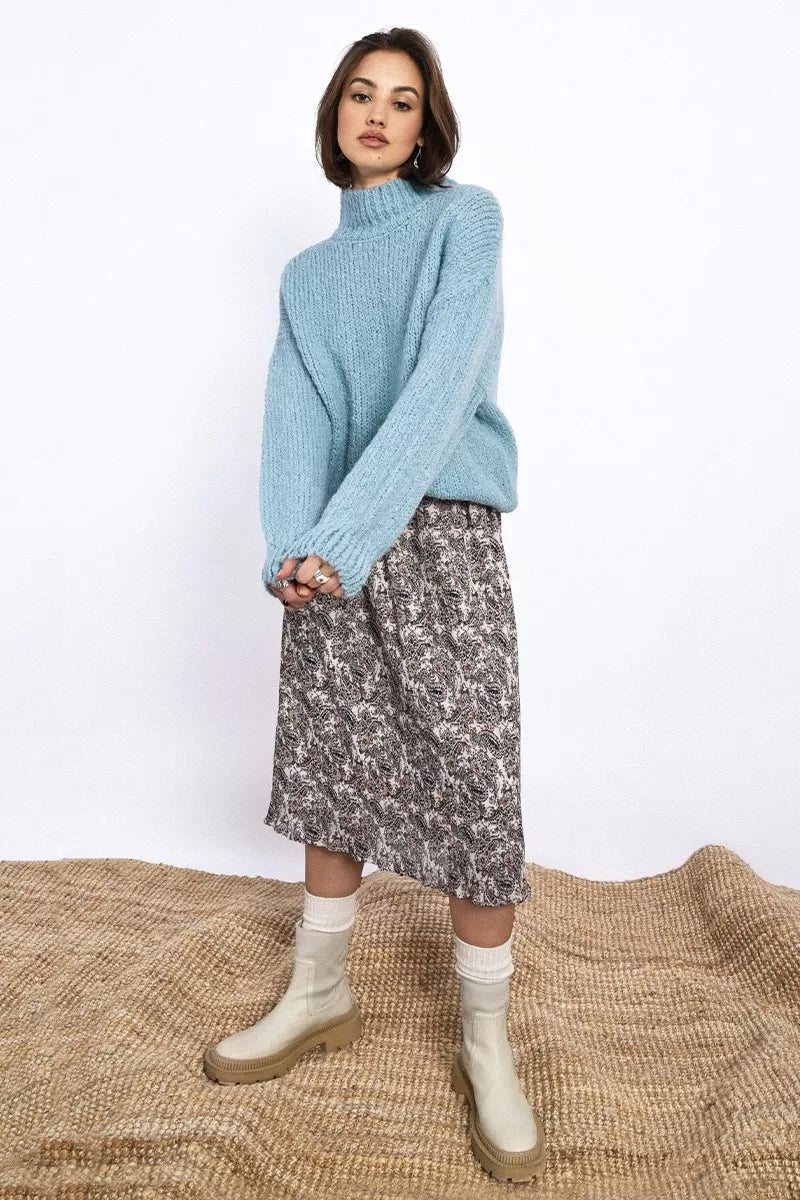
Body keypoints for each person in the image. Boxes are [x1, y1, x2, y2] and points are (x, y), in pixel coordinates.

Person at [204, 27, 546, 1184]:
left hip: (438, 530)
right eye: (361, 93)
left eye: (402, 100)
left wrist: (343, 538)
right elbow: (294, 415)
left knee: (473, 783)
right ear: (334, 112)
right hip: (332, 551)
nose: (378, 114)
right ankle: (319, 992)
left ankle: (485, 1039)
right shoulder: (306, 276)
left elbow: (444, 386)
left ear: (425, 124)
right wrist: (290, 549)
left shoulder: (465, 220)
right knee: (329, 764)